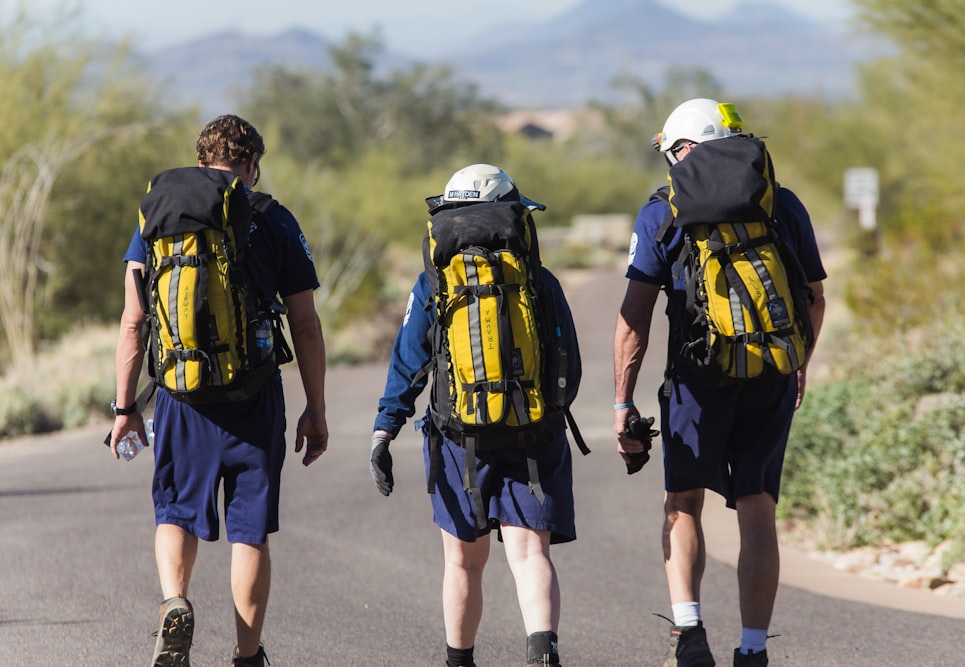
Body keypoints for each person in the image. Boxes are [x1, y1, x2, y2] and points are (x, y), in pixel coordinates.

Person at [612, 99, 826, 667]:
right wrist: (797, 360)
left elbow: (633, 317)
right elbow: (813, 296)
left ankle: (690, 634)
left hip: (695, 379)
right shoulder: (781, 202)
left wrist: (621, 401)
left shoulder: (662, 212)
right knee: (757, 509)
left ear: (682, 150)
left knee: (682, 502)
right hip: (770, 373)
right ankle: (752, 649)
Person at [110, 114, 329, 667]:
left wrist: (123, 408)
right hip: (254, 396)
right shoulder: (274, 219)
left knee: (176, 514)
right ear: (252, 164)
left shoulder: (157, 212)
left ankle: (175, 601)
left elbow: (134, 322)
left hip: (180, 396)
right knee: (249, 532)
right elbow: (305, 323)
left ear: (202, 159)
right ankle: (247, 654)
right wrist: (315, 409)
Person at [369, 164, 581, 667]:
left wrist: (385, 429)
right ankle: (542, 651)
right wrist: (547, 414)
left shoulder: (434, 282)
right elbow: (566, 362)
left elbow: (408, 361)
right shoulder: (538, 280)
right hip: (533, 432)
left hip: (457, 436)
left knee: (463, 561)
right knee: (531, 555)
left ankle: (459, 661)